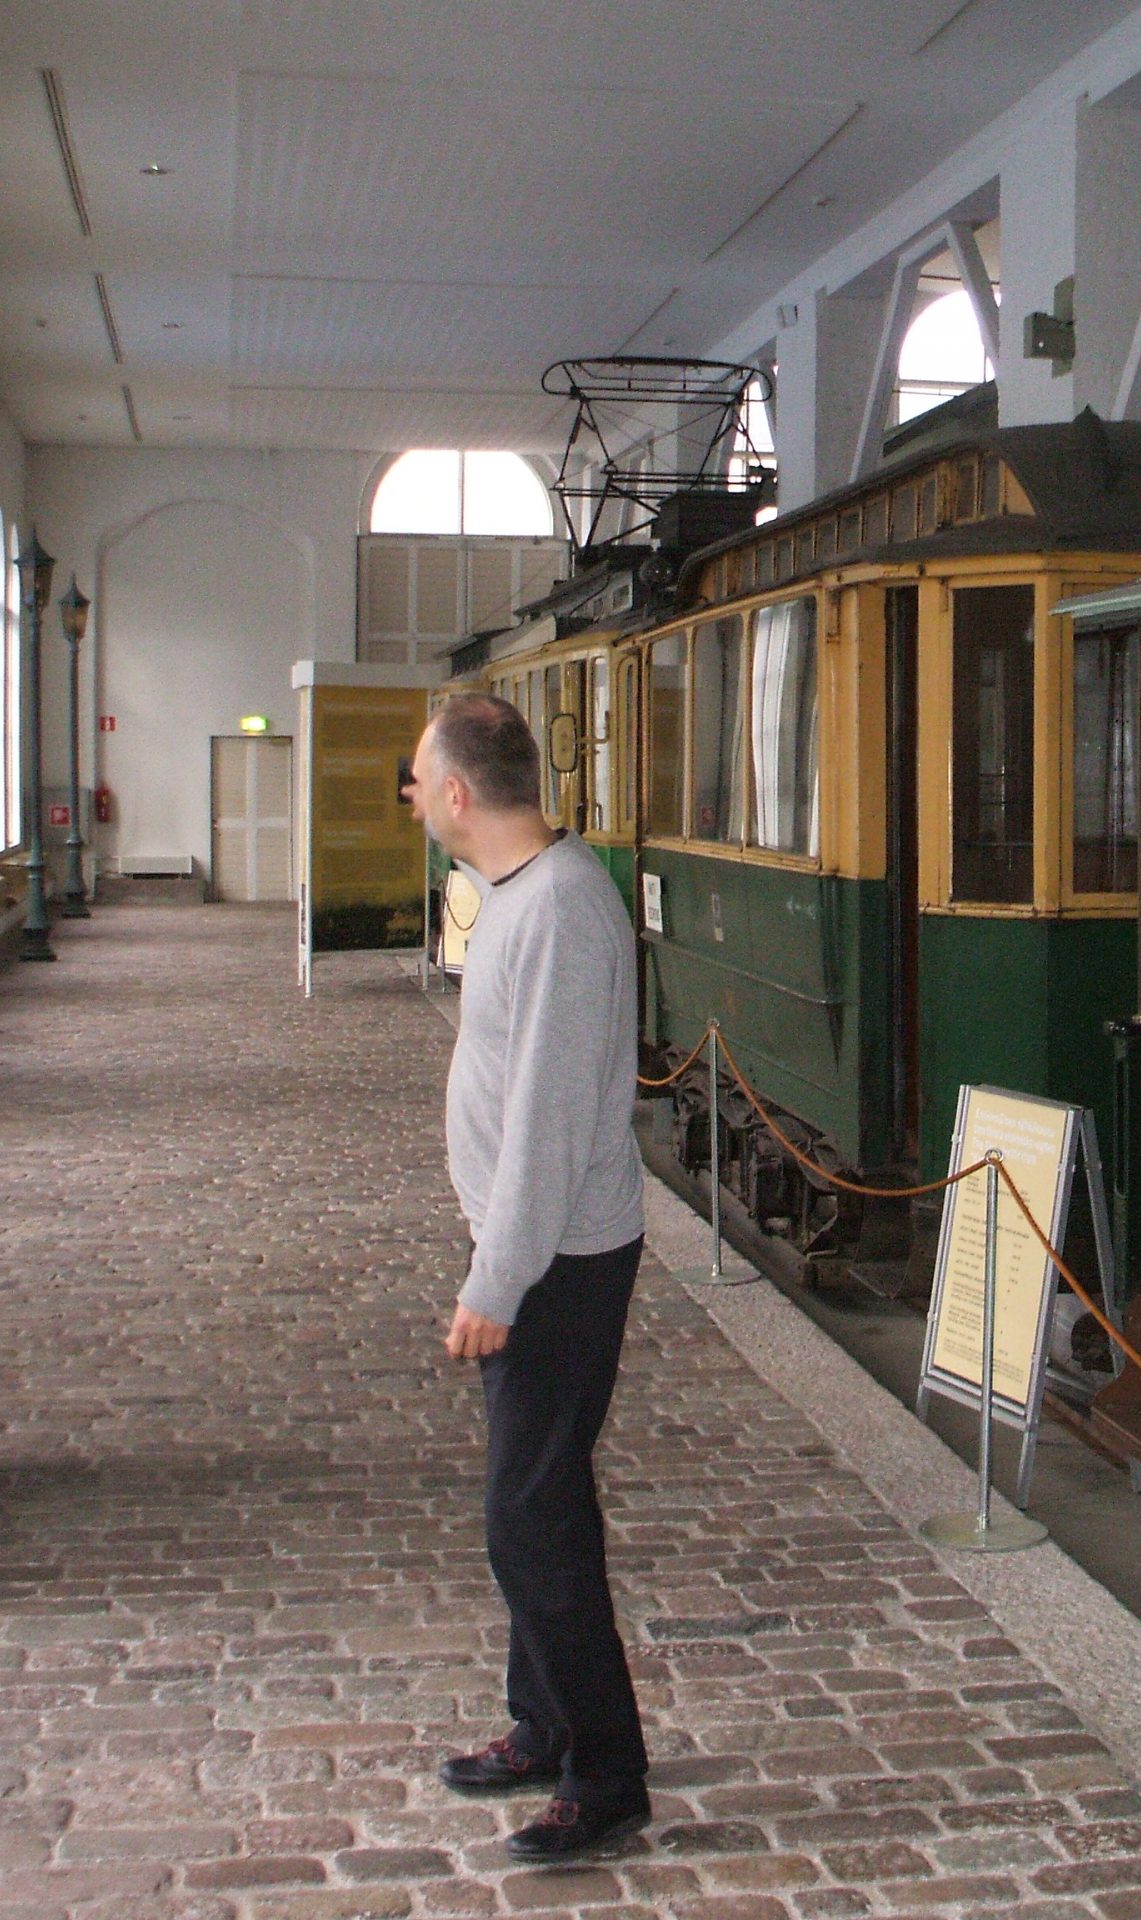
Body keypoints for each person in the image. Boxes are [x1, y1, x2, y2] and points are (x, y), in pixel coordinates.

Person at [406, 694, 651, 1861]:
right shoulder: (516, 892)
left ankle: (606, 1773)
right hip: (536, 1247)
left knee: (529, 1517)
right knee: (538, 1503)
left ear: (458, 793)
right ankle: (545, 1724)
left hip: (557, 1261)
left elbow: (548, 1126)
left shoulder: (557, 906)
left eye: (419, 778)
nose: (412, 796)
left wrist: (495, 1283)